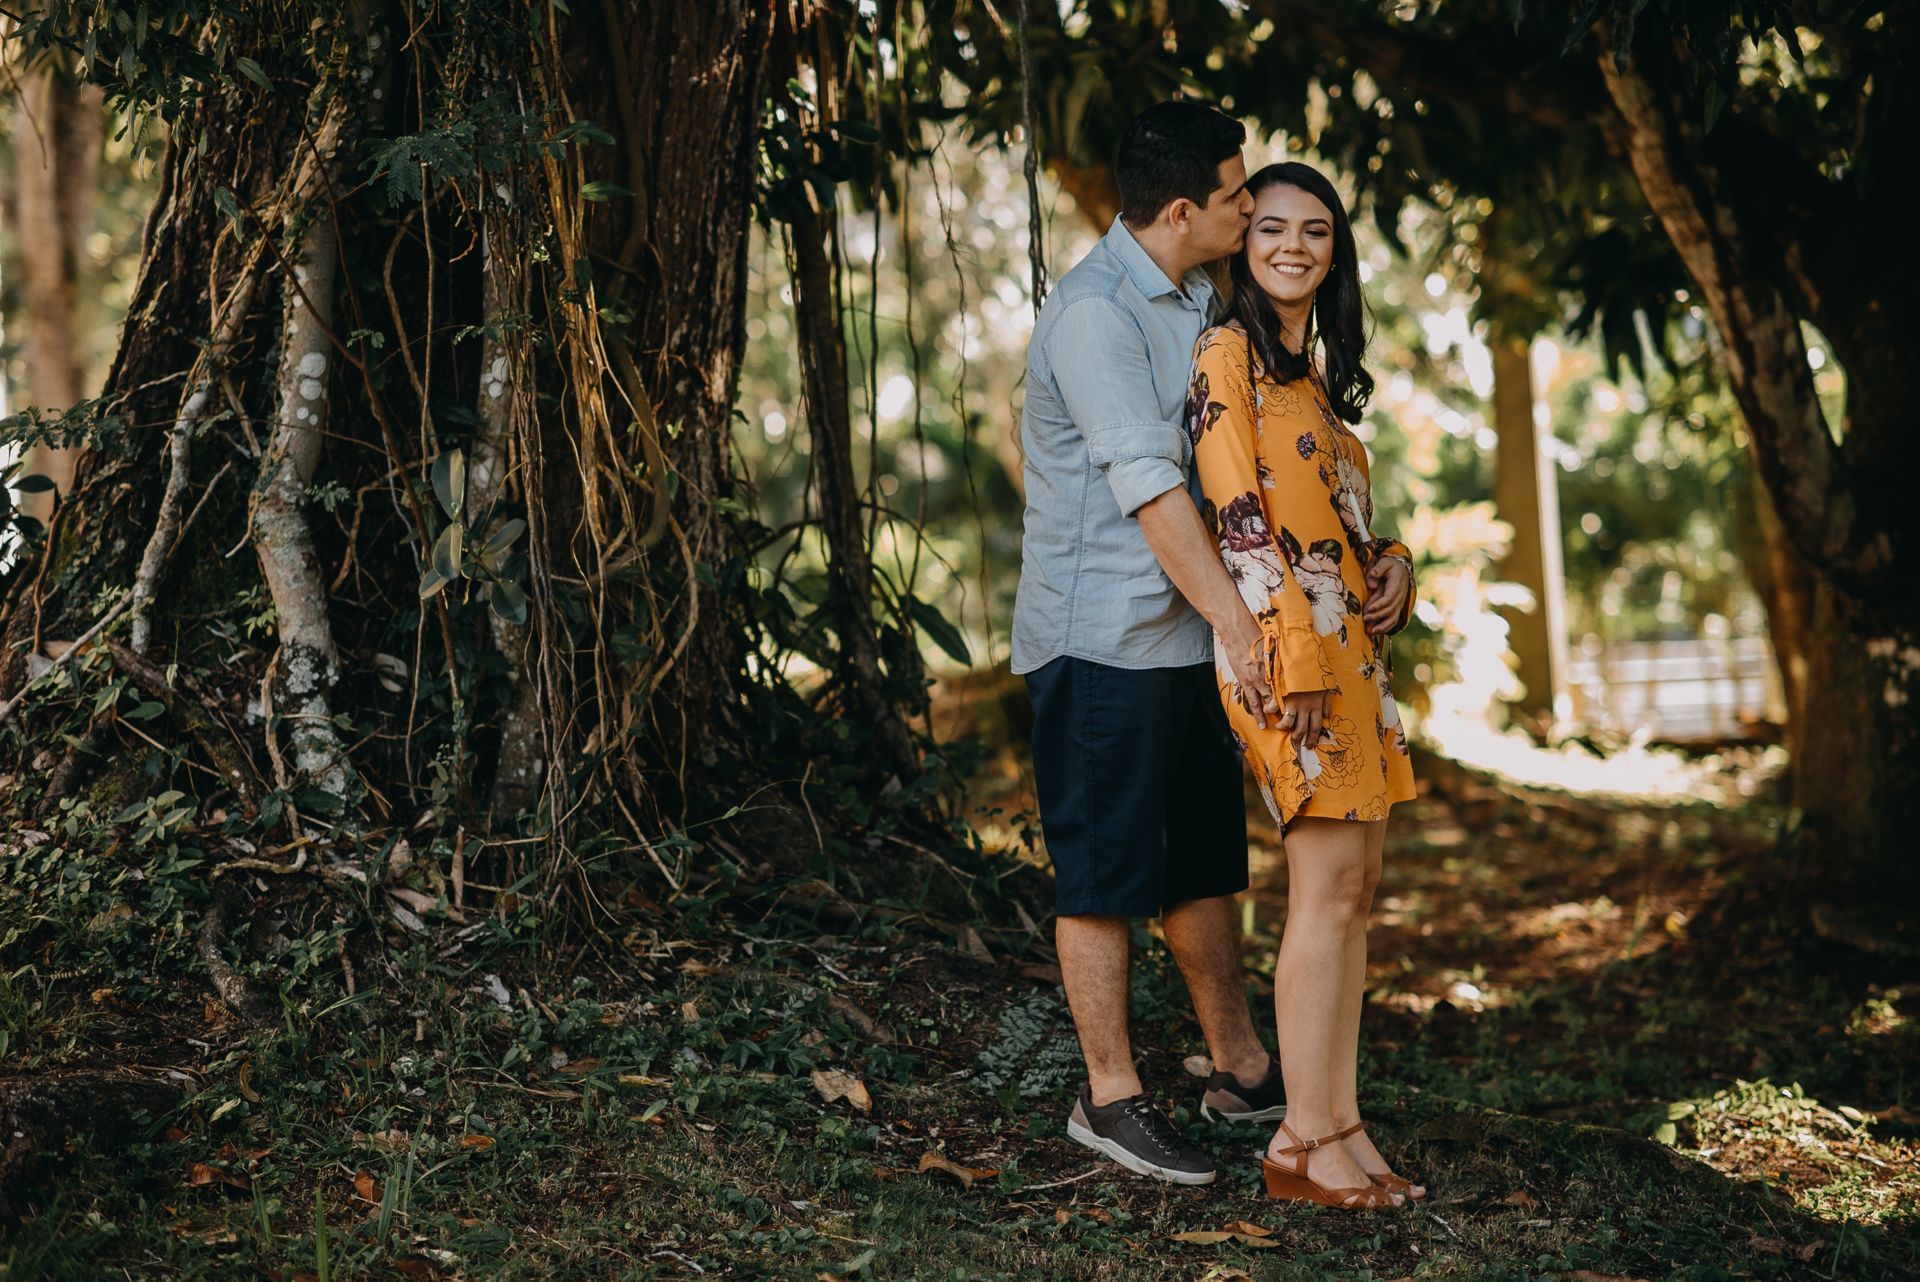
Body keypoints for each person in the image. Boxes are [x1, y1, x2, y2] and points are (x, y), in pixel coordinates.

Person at [1012, 101, 1287, 1186]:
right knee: (1104, 873)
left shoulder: (1203, 296)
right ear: (1183, 210)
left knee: (1202, 866)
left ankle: (1240, 1067)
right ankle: (1110, 1096)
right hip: (1101, 647)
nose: (1254, 206)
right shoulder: (1095, 317)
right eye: (1236, 196)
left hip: (1182, 642)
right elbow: (1151, 488)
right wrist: (1241, 622)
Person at [1186, 161, 1422, 1209]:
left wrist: (1398, 561)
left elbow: (1345, 520)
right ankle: (1300, 1139)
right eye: (1272, 226)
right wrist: (1288, 649)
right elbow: (1238, 517)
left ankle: (1344, 1124)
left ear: (1336, 252)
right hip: (1287, 654)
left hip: (1350, 656)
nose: (1293, 245)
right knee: (1322, 893)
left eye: (1315, 231)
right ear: (1242, 241)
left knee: (1355, 893)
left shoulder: (1312, 376)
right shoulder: (1225, 354)